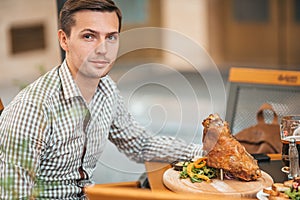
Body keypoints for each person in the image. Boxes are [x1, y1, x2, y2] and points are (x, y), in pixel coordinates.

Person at [0, 0, 203, 199]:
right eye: (89, 36)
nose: (103, 49)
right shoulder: (32, 109)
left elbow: (141, 145)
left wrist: (203, 152)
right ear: (64, 40)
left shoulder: (107, 91)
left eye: (111, 37)